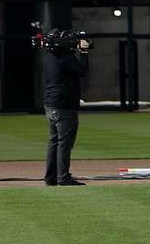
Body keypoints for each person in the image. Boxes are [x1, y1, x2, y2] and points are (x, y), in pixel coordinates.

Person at [42, 32, 89, 186]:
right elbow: (82, 70)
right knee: (64, 143)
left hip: (51, 104)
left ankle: (51, 177)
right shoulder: (65, 57)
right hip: (64, 106)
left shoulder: (49, 56)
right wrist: (84, 52)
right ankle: (63, 177)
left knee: (54, 141)